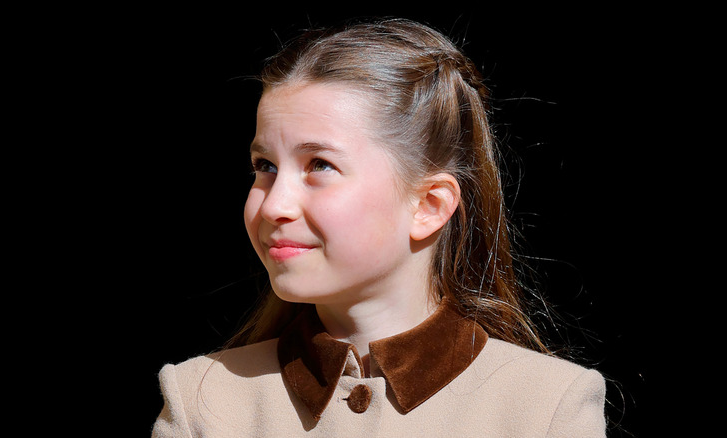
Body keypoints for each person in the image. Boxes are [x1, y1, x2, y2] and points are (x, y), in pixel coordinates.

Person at [152, 18, 606, 437]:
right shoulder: (202, 401)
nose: (274, 205)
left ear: (428, 205)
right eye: (264, 165)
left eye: (320, 165)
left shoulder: (547, 409)